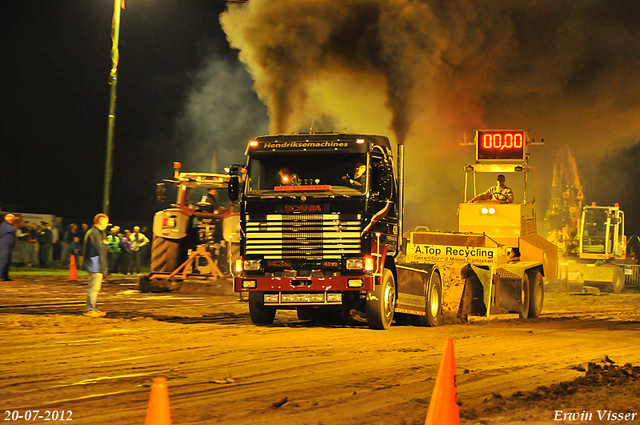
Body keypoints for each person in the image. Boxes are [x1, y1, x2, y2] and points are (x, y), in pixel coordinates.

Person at [82, 213, 109, 318]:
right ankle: (90, 309)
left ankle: (94, 308)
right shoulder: (95, 233)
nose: (107, 224)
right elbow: (99, 248)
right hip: (95, 264)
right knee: (94, 289)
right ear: (101, 221)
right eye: (106, 222)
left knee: (95, 289)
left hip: (95, 263)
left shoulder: (95, 232)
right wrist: (106, 244)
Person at [0, 214, 19, 281]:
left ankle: (5, 276)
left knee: (7, 261)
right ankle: (1, 275)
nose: (14, 219)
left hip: (8, 246)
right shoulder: (5, 224)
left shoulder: (10, 225)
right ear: (9, 219)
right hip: (5, 245)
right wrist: (14, 228)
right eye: (13, 218)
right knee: (4, 261)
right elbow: (13, 229)